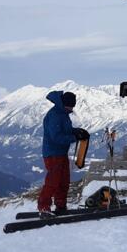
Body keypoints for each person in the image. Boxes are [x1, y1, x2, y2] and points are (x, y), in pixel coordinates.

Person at [39, 90, 89, 218]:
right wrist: (74, 137)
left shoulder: (63, 113)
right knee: (53, 182)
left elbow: (65, 130)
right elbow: (56, 137)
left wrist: (77, 131)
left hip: (61, 154)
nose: (71, 109)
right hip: (52, 154)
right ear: (64, 103)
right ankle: (44, 208)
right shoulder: (54, 115)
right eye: (70, 106)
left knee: (63, 181)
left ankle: (61, 206)